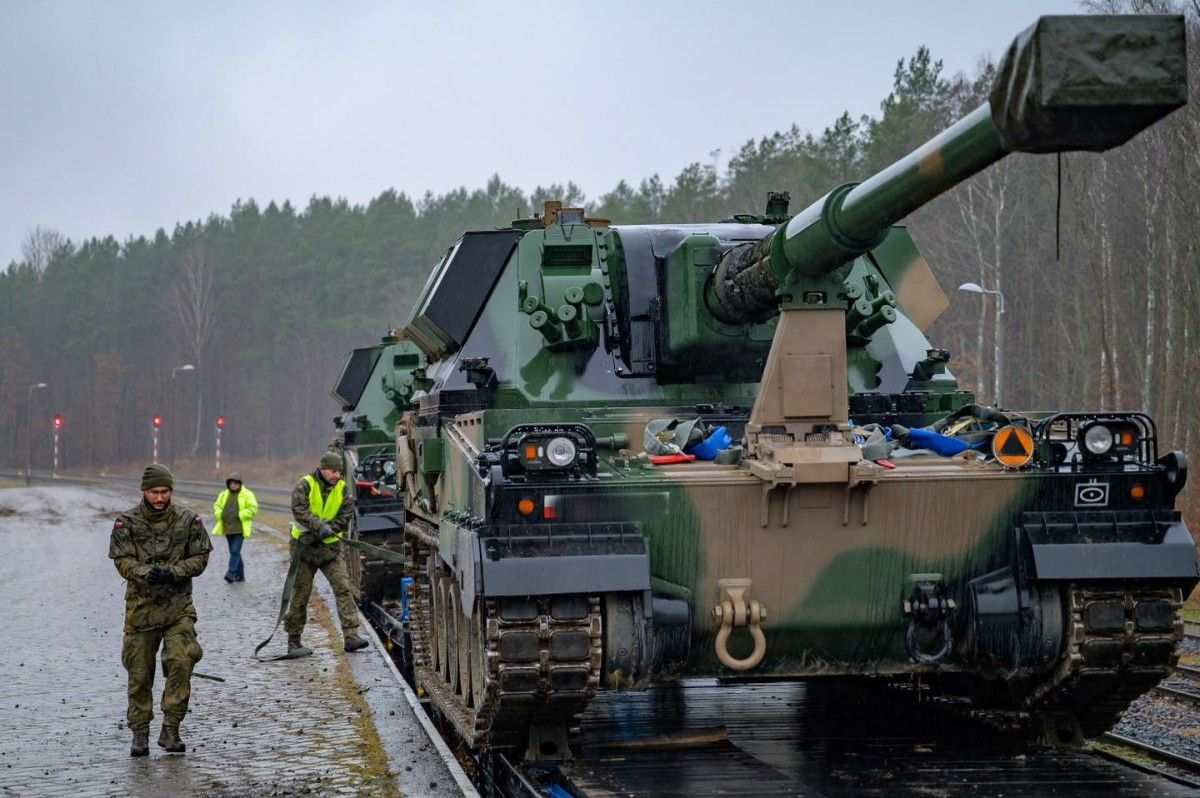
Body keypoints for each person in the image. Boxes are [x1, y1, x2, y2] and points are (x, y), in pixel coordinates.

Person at [108, 463, 211, 757]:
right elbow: (122, 560)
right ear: (144, 491)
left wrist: (175, 572)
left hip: (178, 609)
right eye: (154, 491)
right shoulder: (126, 523)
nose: (159, 498)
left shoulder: (189, 521)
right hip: (141, 611)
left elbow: (201, 557)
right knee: (140, 674)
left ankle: (171, 728)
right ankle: (140, 734)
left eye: (165, 491)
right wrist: (144, 573)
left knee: (181, 660)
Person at [284, 450, 369, 654]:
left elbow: (345, 516)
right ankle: (294, 641)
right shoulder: (304, 485)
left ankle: (351, 636)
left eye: (339, 471)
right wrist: (318, 526)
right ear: (322, 469)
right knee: (300, 595)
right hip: (303, 550)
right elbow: (299, 511)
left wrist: (328, 529)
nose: (337, 475)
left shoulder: (342, 490)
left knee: (343, 588)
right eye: (333, 471)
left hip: (329, 550)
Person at [212, 472, 259, 582]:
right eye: (231, 483)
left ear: (240, 484)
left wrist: (241, 514)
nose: (233, 485)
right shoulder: (224, 494)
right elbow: (217, 506)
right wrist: (220, 514)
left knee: (234, 551)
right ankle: (240, 576)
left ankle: (231, 573)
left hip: (240, 529)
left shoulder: (247, 494)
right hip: (228, 528)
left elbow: (253, 509)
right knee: (235, 552)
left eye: (235, 483)